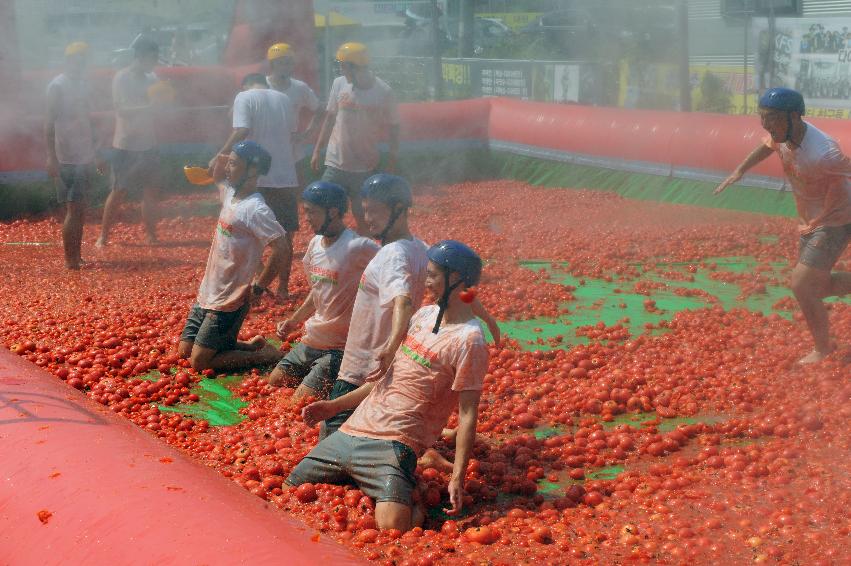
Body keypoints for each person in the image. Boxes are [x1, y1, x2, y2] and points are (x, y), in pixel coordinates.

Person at [287, 240, 489, 531]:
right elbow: (388, 377)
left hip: (395, 442)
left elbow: (469, 414)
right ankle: (384, 478)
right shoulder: (423, 315)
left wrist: (458, 476)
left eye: (432, 275)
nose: (426, 280)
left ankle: (411, 492)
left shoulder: (469, 341)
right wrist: (333, 407)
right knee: (292, 485)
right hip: (353, 430)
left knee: (394, 529)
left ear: (456, 280)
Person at [301, 175, 499, 440]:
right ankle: (435, 440)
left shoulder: (392, 254)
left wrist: (391, 345)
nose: (367, 217)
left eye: (374, 210)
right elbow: (456, 285)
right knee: (380, 428)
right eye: (365, 209)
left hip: (365, 366)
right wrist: (488, 319)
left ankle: (427, 448)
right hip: (388, 367)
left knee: (331, 441)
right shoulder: (420, 248)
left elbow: (402, 300)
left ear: (398, 209)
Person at [716, 87, 851, 364]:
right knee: (815, 287)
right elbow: (767, 145)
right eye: (762, 117)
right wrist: (740, 169)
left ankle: (822, 350)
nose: (767, 125)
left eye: (772, 118)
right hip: (811, 221)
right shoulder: (782, 133)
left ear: (794, 116)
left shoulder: (824, 152)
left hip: (837, 218)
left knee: (802, 285)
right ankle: (823, 347)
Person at [178, 141, 287, 372]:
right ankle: (248, 346)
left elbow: (282, 248)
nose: (228, 168)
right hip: (208, 291)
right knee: (185, 351)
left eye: (234, 164)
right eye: (229, 163)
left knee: (200, 362)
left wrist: (259, 286)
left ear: (253, 171)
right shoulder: (230, 194)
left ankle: (264, 356)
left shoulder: (256, 209)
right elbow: (217, 175)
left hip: (229, 299)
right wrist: (225, 157)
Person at [269, 181, 379, 399]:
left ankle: (346, 379)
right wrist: (294, 320)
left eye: (311, 212)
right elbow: (318, 291)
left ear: (333, 212)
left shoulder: (357, 247)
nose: (306, 218)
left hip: (342, 346)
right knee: (275, 382)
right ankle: (319, 374)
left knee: (300, 402)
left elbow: (392, 261)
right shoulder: (315, 244)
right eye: (305, 211)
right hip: (315, 338)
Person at [211, 73, 299, 301]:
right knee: (285, 237)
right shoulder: (284, 98)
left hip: (255, 177)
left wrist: (221, 155)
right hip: (286, 175)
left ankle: (258, 284)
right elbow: (293, 134)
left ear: (244, 85)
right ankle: (282, 289)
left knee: (247, 232)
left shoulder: (244, 96)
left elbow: (242, 131)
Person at [311, 43, 400, 234]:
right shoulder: (339, 83)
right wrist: (318, 150)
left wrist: (392, 159)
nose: (341, 69)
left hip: (364, 165)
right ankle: (330, 248)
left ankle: (365, 252)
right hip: (335, 162)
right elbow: (329, 118)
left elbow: (394, 126)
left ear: (355, 66)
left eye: (344, 65)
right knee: (325, 206)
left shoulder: (384, 91)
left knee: (363, 215)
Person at [97, 37, 161, 247]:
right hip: (125, 144)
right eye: (152, 58)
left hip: (148, 143)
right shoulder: (121, 78)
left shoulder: (152, 78)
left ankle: (151, 234)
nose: (155, 62)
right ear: (140, 56)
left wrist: (163, 104)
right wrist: (149, 108)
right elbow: (122, 111)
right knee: (119, 191)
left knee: (150, 190)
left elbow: (159, 105)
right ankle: (104, 236)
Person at [45, 42, 103, 269]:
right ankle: (70, 260)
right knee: (73, 207)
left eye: (83, 59)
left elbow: (88, 120)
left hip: (84, 153)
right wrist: (51, 156)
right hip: (66, 155)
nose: (80, 63)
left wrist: (96, 151)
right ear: (68, 61)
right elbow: (49, 123)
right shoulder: (57, 86)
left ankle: (76, 255)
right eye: (77, 59)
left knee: (81, 206)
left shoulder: (83, 85)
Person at [265, 42, 322, 179]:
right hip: (265, 150)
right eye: (282, 63)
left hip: (293, 152)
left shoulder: (300, 88)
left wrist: (307, 134)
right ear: (272, 64)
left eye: (290, 62)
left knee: (297, 192)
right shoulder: (261, 85)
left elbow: (319, 109)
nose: (287, 67)